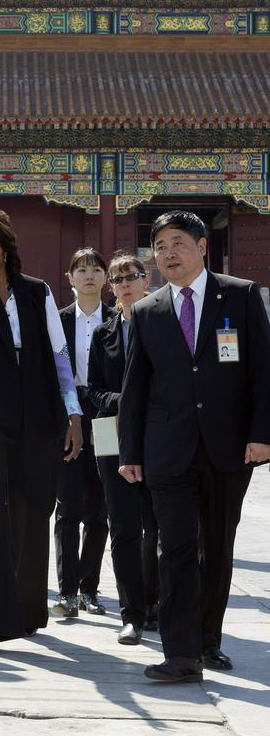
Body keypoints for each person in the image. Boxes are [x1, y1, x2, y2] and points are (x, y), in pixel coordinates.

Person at [119, 210, 270, 683]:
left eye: (178, 242)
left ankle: (208, 640)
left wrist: (261, 434)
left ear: (203, 247)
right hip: (168, 448)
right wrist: (129, 452)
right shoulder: (147, 310)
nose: (168, 253)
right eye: (160, 244)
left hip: (229, 447)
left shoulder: (241, 295)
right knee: (175, 548)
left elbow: (264, 371)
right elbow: (136, 387)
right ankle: (180, 653)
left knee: (217, 546)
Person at [0, 210, 82, 655]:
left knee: (31, 507)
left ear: (6, 245)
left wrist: (73, 414)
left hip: (36, 407)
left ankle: (24, 610)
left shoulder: (35, 291)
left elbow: (60, 355)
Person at [88, 252, 159, 645]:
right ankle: (130, 612)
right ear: (110, 287)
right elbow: (93, 388)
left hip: (156, 433)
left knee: (158, 526)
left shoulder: (161, 323)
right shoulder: (103, 333)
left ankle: (155, 603)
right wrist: (123, 402)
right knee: (124, 528)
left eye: (131, 276)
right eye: (117, 279)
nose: (125, 284)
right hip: (110, 433)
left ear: (145, 279)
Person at [52, 249, 113, 619]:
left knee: (100, 507)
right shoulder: (57, 322)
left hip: (107, 417)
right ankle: (67, 590)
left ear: (105, 277)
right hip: (68, 417)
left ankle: (90, 589)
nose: (89, 275)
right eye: (81, 270)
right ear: (69, 277)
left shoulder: (118, 318)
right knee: (68, 506)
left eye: (95, 269)